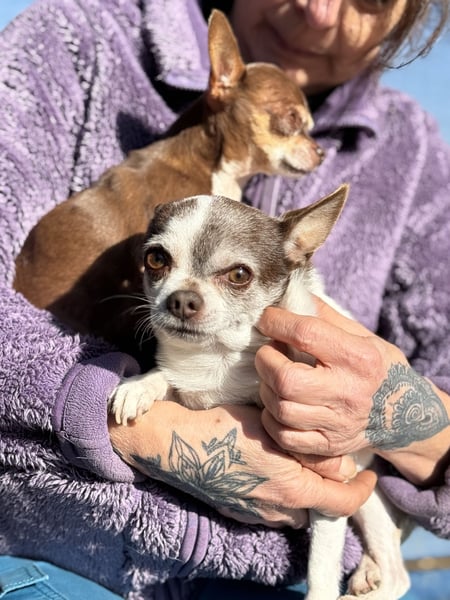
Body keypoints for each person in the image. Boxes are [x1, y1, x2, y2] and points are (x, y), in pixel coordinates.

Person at [0, 0, 449, 599]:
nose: (317, 12)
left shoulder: (411, 147)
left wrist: (410, 424)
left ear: (410, 17)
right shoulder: (78, 40)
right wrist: (129, 424)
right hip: (59, 552)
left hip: (285, 577)